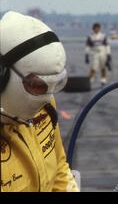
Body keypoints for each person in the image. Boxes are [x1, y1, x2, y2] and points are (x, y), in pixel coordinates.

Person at [0, 11, 79, 192]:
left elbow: (59, 167)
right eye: (38, 85)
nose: (46, 97)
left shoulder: (46, 108)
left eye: (55, 85)